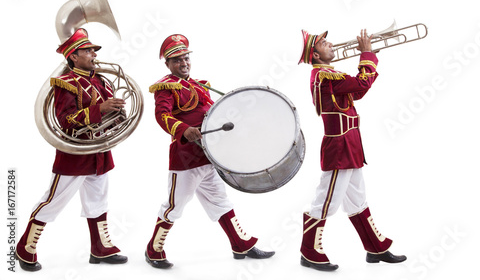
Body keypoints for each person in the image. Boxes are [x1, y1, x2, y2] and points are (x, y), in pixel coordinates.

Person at [145, 34, 275, 269]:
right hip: (185, 159)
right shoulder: (165, 87)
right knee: (175, 205)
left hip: (208, 156)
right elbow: (162, 116)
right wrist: (184, 130)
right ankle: (153, 250)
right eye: (177, 60)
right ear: (167, 64)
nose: (183, 63)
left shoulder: (199, 84)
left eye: (186, 58)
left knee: (220, 201)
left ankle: (240, 244)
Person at [15, 28, 128, 271]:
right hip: (75, 155)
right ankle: (25, 246)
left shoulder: (100, 80)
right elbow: (65, 120)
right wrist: (101, 109)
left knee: (98, 200)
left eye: (93, 50)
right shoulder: (65, 83)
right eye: (87, 51)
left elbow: (111, 111)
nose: (93, 54)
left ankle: (100, 248)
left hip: (99, 152)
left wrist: (118, 114)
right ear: (73, 56)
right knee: (53, 201)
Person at [297, 29, 406, 271]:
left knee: (357, 200)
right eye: (325, 43)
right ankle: (309, 251)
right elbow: (362, 84)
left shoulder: (330, 74)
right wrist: (366, 55)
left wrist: (368, 58)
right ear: (315, 54)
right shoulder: (324, 76)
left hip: (350, 144)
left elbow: (357, 90)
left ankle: (375, 247)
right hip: (340, 147)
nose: (332, 44)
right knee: (325, 201)